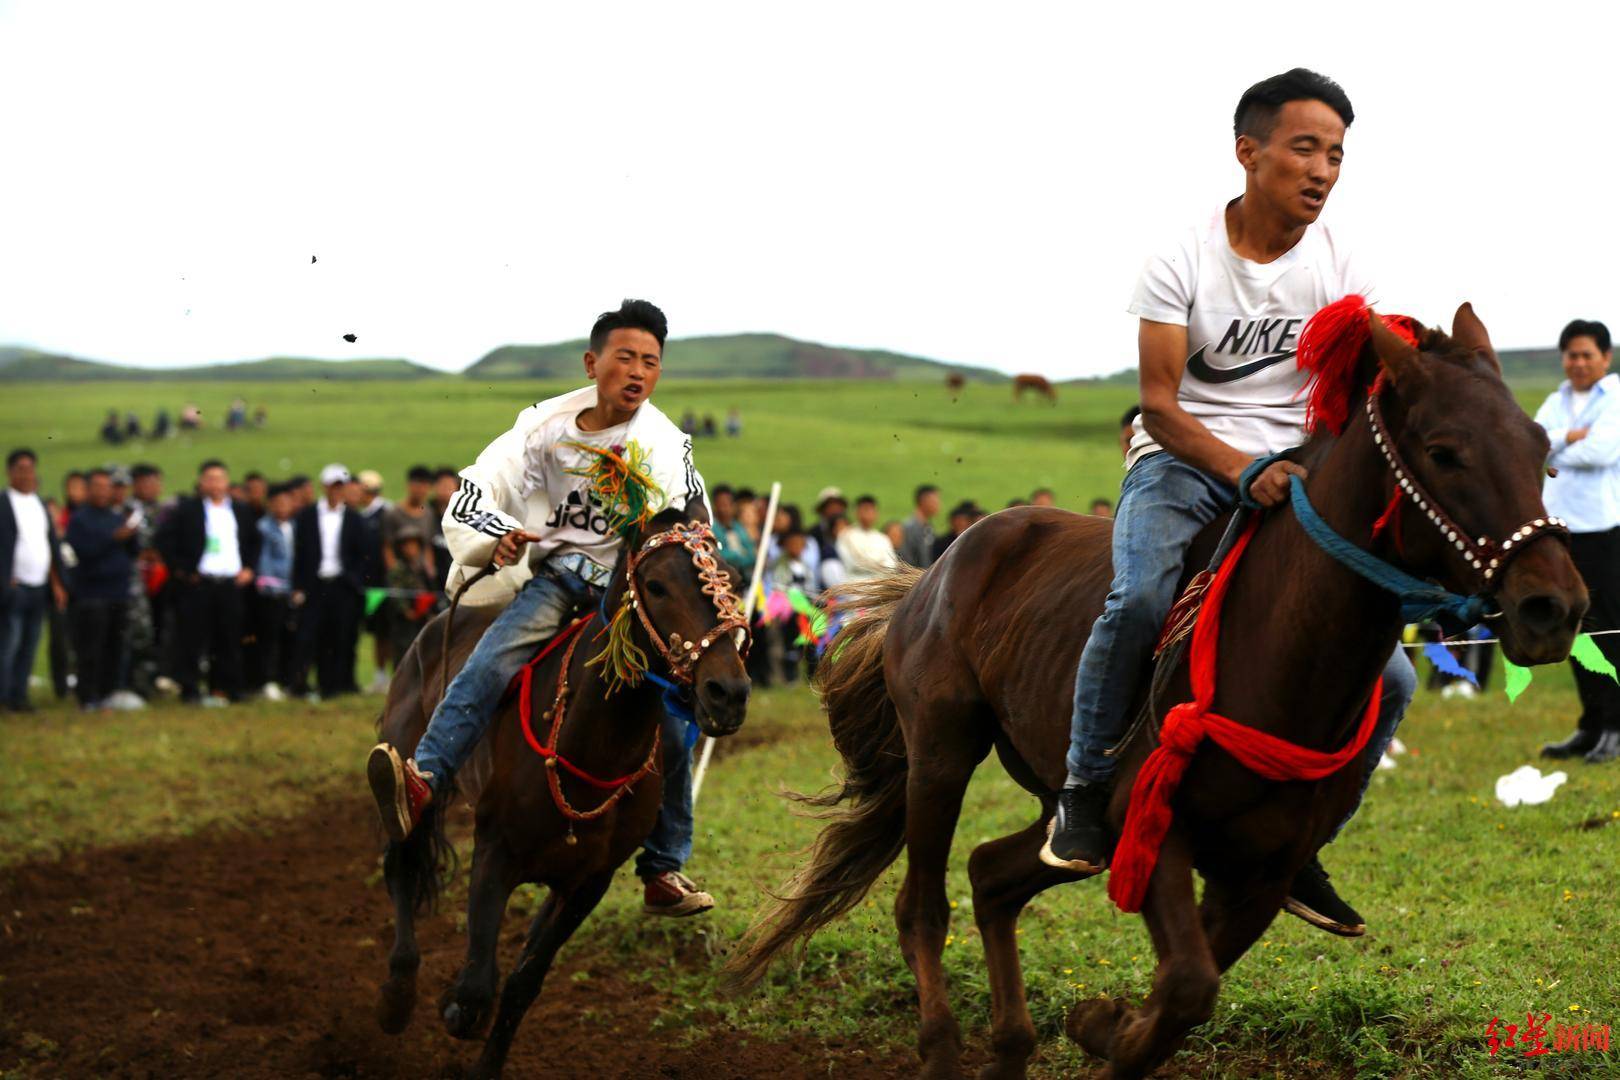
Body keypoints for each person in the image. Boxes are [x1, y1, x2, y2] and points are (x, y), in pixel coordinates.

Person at [1045, 69, 1416, 940]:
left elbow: (1368, 369)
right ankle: (1082, 790)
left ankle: (1306, 842)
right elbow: (1162, 405)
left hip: (1296, 475)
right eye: (1303, 149)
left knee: (1393, 675)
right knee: (1137, 598)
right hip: (1182, 461)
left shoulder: (1341, 262)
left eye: (1335, 155)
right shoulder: (1180, 258)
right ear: (1248, 152)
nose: (1322, 170)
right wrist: (1241, 468)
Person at [366, 299, 719, 917]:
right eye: (626, 357)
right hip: (557, 581)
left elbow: (689, 516)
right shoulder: (542, 429)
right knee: (489, 664)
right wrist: (498, 534)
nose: (638, 372)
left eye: (651, 362)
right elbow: (478, 488)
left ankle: (663, 866)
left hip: (631, 597)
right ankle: (424, 780)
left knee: (669, 718)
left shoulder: (664, 443)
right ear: (593, 362)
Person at [1536, 319, 1620, 764]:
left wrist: (1557, 446)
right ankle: (1590, 725)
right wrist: (1568, 437)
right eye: (1572, 354)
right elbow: (1532, 443)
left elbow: (1602, 452)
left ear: (1605, 358)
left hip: (1604, 530)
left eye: (1588, 354)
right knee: (1575, 630)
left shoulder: (1616, 399)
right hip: (1560, 531)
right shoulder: (1555, 400)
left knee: (1608, 630)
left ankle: (1615, 726)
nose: (1579, 362)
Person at [156, 459, 261, 705]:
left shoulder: (240, 510)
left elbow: (254, 541)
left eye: (220, 478)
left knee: (228, 638)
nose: (215, 484)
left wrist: (249, 568)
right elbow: (165, 541)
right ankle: (190, 688)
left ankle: (227, 687)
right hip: (199, 583)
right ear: (201, 482)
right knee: (193, 638)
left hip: (230, 584)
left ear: (227, 482)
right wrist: (182, 570)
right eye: (210, 478)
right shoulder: (187, 510)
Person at [293, 464, 369, 699]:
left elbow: (361, 555)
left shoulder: (355, 519)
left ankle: (332, 685)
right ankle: (302, 683)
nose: (337, 490)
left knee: (339, 635)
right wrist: (298, 586)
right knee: (310, 635)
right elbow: (300, 553)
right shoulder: (306, 516)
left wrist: (355, 581)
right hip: (315, 584)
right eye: (333, 486)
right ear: (324, 487)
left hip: (341, 585)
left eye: (340, 486)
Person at [64, 470, 137, 711]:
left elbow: (129, 550)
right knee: (91, 648)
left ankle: (108, 693)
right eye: (98, 486)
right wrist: (114, 538)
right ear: (88, 489)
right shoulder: (80, 519)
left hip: (119, 592)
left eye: (107, 486)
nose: (103, 491)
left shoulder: (115, 516)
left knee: (114, 646)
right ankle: (88, 697)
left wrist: (130, 533)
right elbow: (84, 551)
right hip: (92, 594)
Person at [1, 449, 66, 712]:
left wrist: (57, 582)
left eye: (31, 469)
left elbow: (48, 546)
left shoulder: (39, 504)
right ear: (10, 472)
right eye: (22, 469)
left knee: (29, 645)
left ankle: (19, 697)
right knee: (8, 645)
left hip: (39, 587)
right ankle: (3, 697)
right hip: (13, 588)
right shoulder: (4, 504)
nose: (27, 474)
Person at [254, 482, 299, 700]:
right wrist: (276, 586)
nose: (282, 506)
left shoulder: (295, 526)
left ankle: (287, 680)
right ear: (270, 504)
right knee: (270, 638)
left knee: (290, 638)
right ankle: (267, 680)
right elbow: (264, 563)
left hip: (292, 592)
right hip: (272, 591)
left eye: (286, 501)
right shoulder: (263, 528)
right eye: (278, 502)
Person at [384, 534, 436, 663]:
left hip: (422, 618)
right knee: (404, 653)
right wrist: (406, 610)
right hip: (404, 622)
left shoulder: (422, 568)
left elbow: (429, 590)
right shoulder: (398, 569)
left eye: (414, 545)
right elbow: (396, 592)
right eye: (407, 546)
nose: (411, 549)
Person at [836, 494, 898, 581]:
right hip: (855, 585)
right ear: (856, 512)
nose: (869, 513)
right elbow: (853, 564)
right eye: (865, 509)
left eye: (872, 509)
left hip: (880, 586)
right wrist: (878, 564)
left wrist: (870, 563)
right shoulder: (846, 536)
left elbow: (891, 565)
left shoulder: (882, 538)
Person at [428, 466, 459, 594]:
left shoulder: (464, 513)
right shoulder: (427, 513)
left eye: (449, 485)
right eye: (442, 485)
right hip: (434, 575)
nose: (445, 490)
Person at [899, 484, 941, 568]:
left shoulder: (928, 527)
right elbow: (906, 558)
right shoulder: (909, 527)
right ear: (924, 501)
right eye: (935, 501)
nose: (938, 505)